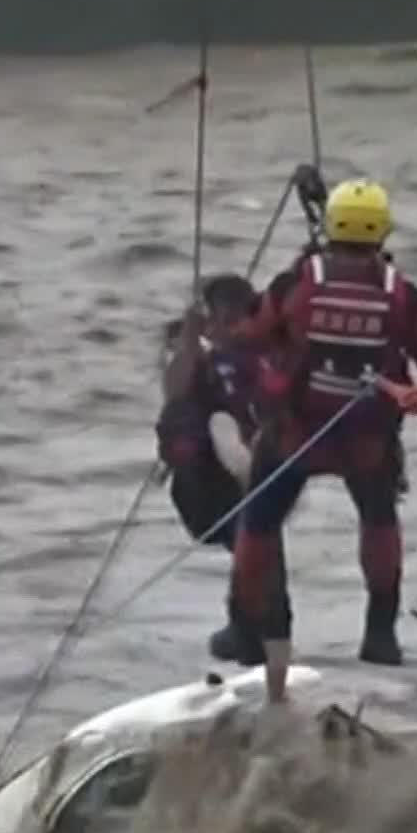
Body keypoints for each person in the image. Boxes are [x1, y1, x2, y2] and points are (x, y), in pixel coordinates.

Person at [225, 178, 417, 704]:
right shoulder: (402, 294)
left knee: (259, 522)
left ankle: (245, 630)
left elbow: (248, 335)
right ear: (383, 231)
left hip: (295, 438)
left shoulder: (296, 284)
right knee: (378, 517)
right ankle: (380, 633)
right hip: (368, 441)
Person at [155, 273, 270, 665]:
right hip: (218, 477)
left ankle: (251, 632)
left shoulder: (245, 355)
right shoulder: (210, 359)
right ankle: (251, 631)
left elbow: (175, 394)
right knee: (250, 543)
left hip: (235, 471)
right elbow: (176, 394)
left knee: (252, 543)